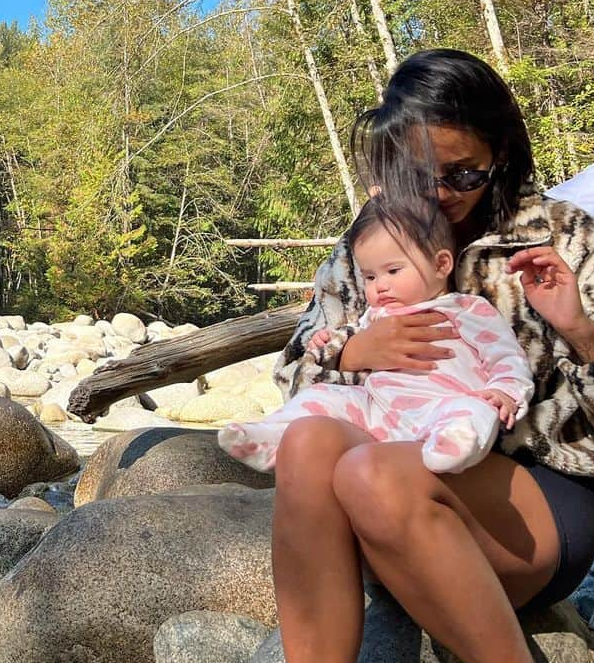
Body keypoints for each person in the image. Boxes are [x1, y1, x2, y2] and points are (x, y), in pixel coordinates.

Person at [269, 49, 594, 663]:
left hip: (526, 503)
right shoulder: (369, 242)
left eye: (461, 174)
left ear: (500, 149)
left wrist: (582, 334)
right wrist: (351, 352)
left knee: (369, 474)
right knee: (309, 452)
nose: (439, 196)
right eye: (416, 175)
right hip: (384, 515)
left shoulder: (568, 241)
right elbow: (298, 377)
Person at [219, 197, 533, 475]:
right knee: (322, 398)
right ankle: (273, 437)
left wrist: (505, 391)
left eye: (393, 271)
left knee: (472, 411)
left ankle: (453, 450)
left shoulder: (467, 309)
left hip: (442, 405)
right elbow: (346, 339)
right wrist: (329, 345)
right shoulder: (376, 315)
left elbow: (507, 356)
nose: (379, 285)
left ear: (441, 264)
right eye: (369, 276)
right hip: (377, 411)